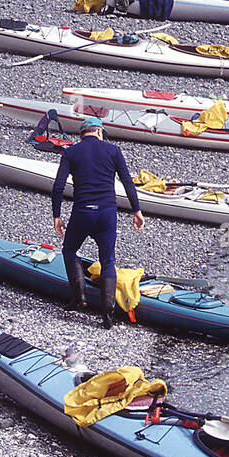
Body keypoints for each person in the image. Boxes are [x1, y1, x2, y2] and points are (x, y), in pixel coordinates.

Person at [52, 114, 145, 327]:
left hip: (82, 212)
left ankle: (79, 298)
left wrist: (57, 216)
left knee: (69, 250)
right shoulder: (113, 151)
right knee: (108, 261)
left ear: (82, 134)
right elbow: (128, 182)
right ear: (100, 132)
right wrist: (137, 210)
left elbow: (58, 186)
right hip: (106, 213)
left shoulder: (70, 152)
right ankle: (107, 314)